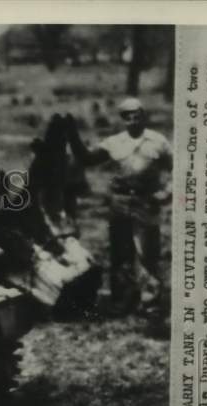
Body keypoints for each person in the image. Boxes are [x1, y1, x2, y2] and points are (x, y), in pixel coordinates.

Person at [66, 98, 172, 316]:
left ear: (143, 115)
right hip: (120, 202)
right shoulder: (113, 142)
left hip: (147, 202)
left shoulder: (158, 141)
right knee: (120, 253)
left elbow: (178, 168)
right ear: (122, 118)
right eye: (126, 115)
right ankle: (122, 301)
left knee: (148, 253)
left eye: (136, 114)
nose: (132, 119)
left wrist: (167, 192)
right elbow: (88, 159)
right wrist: (72, 134)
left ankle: (150, 302)